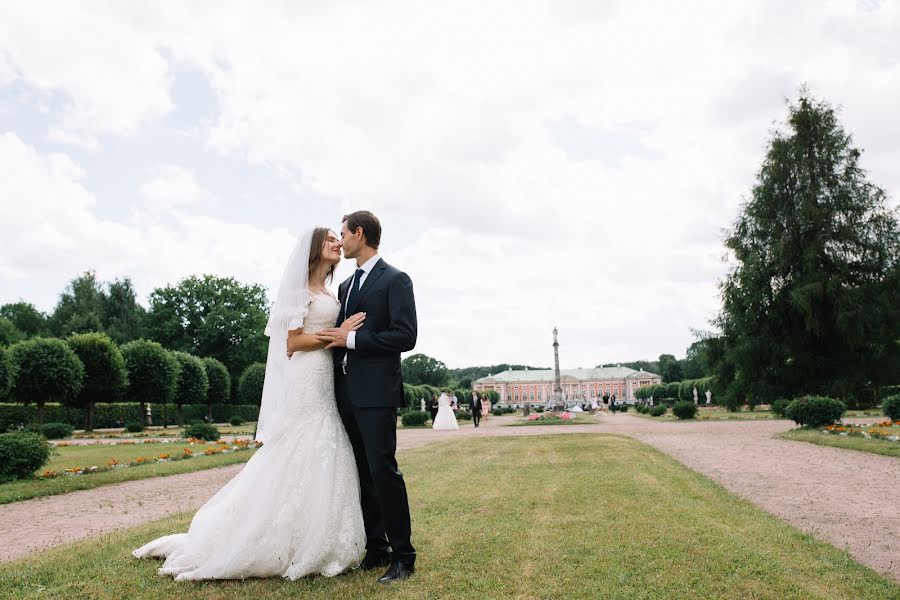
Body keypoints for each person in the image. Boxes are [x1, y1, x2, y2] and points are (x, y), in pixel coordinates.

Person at [133, 227, 366, 580]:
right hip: (306, 375)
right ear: (314, 248)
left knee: (325, 447)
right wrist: (337, 334)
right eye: (330, 238)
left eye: (339, 237)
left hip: (325, 378)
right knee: (300, 445)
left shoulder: (331, 292)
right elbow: (292, 342)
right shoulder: (299, 291)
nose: (337, 242)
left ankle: (322, 538)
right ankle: (256, 537)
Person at [315, 210, 418, 584]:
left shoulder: (395, 280)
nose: (340, 241)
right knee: (361, 474)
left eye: (344, 233)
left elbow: (406, 337)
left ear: (360, 233)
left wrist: (352, 340)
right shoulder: (344, 288)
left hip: (377, 394)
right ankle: (377, 549)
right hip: (345, 393)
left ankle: (404, 556)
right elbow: (338, 338)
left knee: (383, 472)